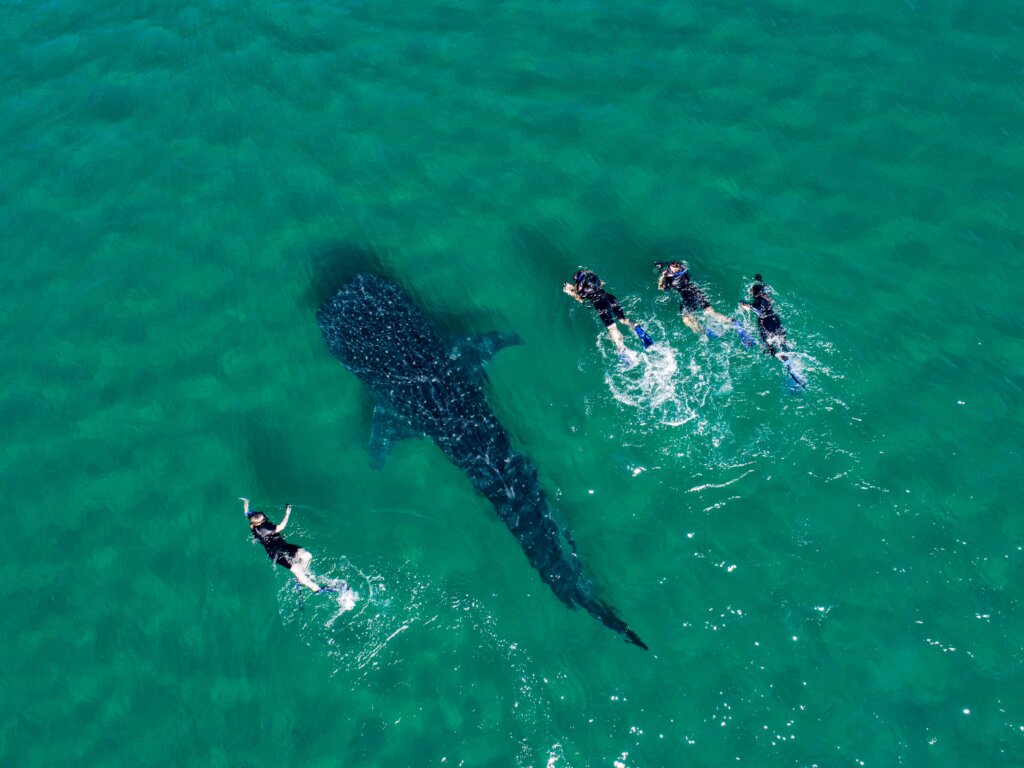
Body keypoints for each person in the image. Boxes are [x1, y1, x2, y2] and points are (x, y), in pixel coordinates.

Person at [241, 498, 324, 593]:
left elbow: (246, 512)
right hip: (276, 553)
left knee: (307, 555)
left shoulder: (253, 522)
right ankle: (315, 588)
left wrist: (246, 502)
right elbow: (281, 526)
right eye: (263, 518)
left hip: (283, 546)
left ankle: (302, 574)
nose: (265, 518)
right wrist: (287, 513)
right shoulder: (264, 529)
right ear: (260, 522)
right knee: (296, 569)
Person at [563, 270, 653, 353]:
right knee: (623, 319)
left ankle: (621, 348)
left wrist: (570, 292)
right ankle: (636, 327)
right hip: (611, 299)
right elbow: (602, 283)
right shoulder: (594, 279)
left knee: (612, 328)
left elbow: (580, 299)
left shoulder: (582, 289)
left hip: (601, 304)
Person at [656, 261, 732, 335]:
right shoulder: (683, 270)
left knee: (686, 319)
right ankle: (732, 321)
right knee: (710, 312)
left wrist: (661, 277)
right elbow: (676, 267)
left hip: (687, 296)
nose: (675, 265)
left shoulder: (671, 283)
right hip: (697, 292)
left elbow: (660, 287)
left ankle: (702, 331)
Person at [738, 274, 789, 357]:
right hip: (775, 319)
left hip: (766, 322)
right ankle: (788, 356)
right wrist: (760, 280)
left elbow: (758, 309)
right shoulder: (766, 295)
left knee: (768, 343)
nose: (750, 292)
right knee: (782, 341)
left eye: (751, 291)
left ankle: (774, 353)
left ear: (754, 292)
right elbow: (765, 287)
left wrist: (744, 304)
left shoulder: (758, 299)